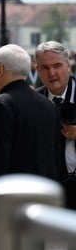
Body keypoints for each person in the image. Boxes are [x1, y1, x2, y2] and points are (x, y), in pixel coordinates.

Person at [0, 44, 62, 227]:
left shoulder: (0, 105)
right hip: (40, 206)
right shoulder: (48, 105)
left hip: (8, 208)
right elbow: (54, 158)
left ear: (0, 69)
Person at [36, 41, 76, 209]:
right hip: (46, 192)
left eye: (57, 66)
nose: (52, 73)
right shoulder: (33, 102)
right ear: (37, 70)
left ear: (68, 65)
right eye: (45, 67)